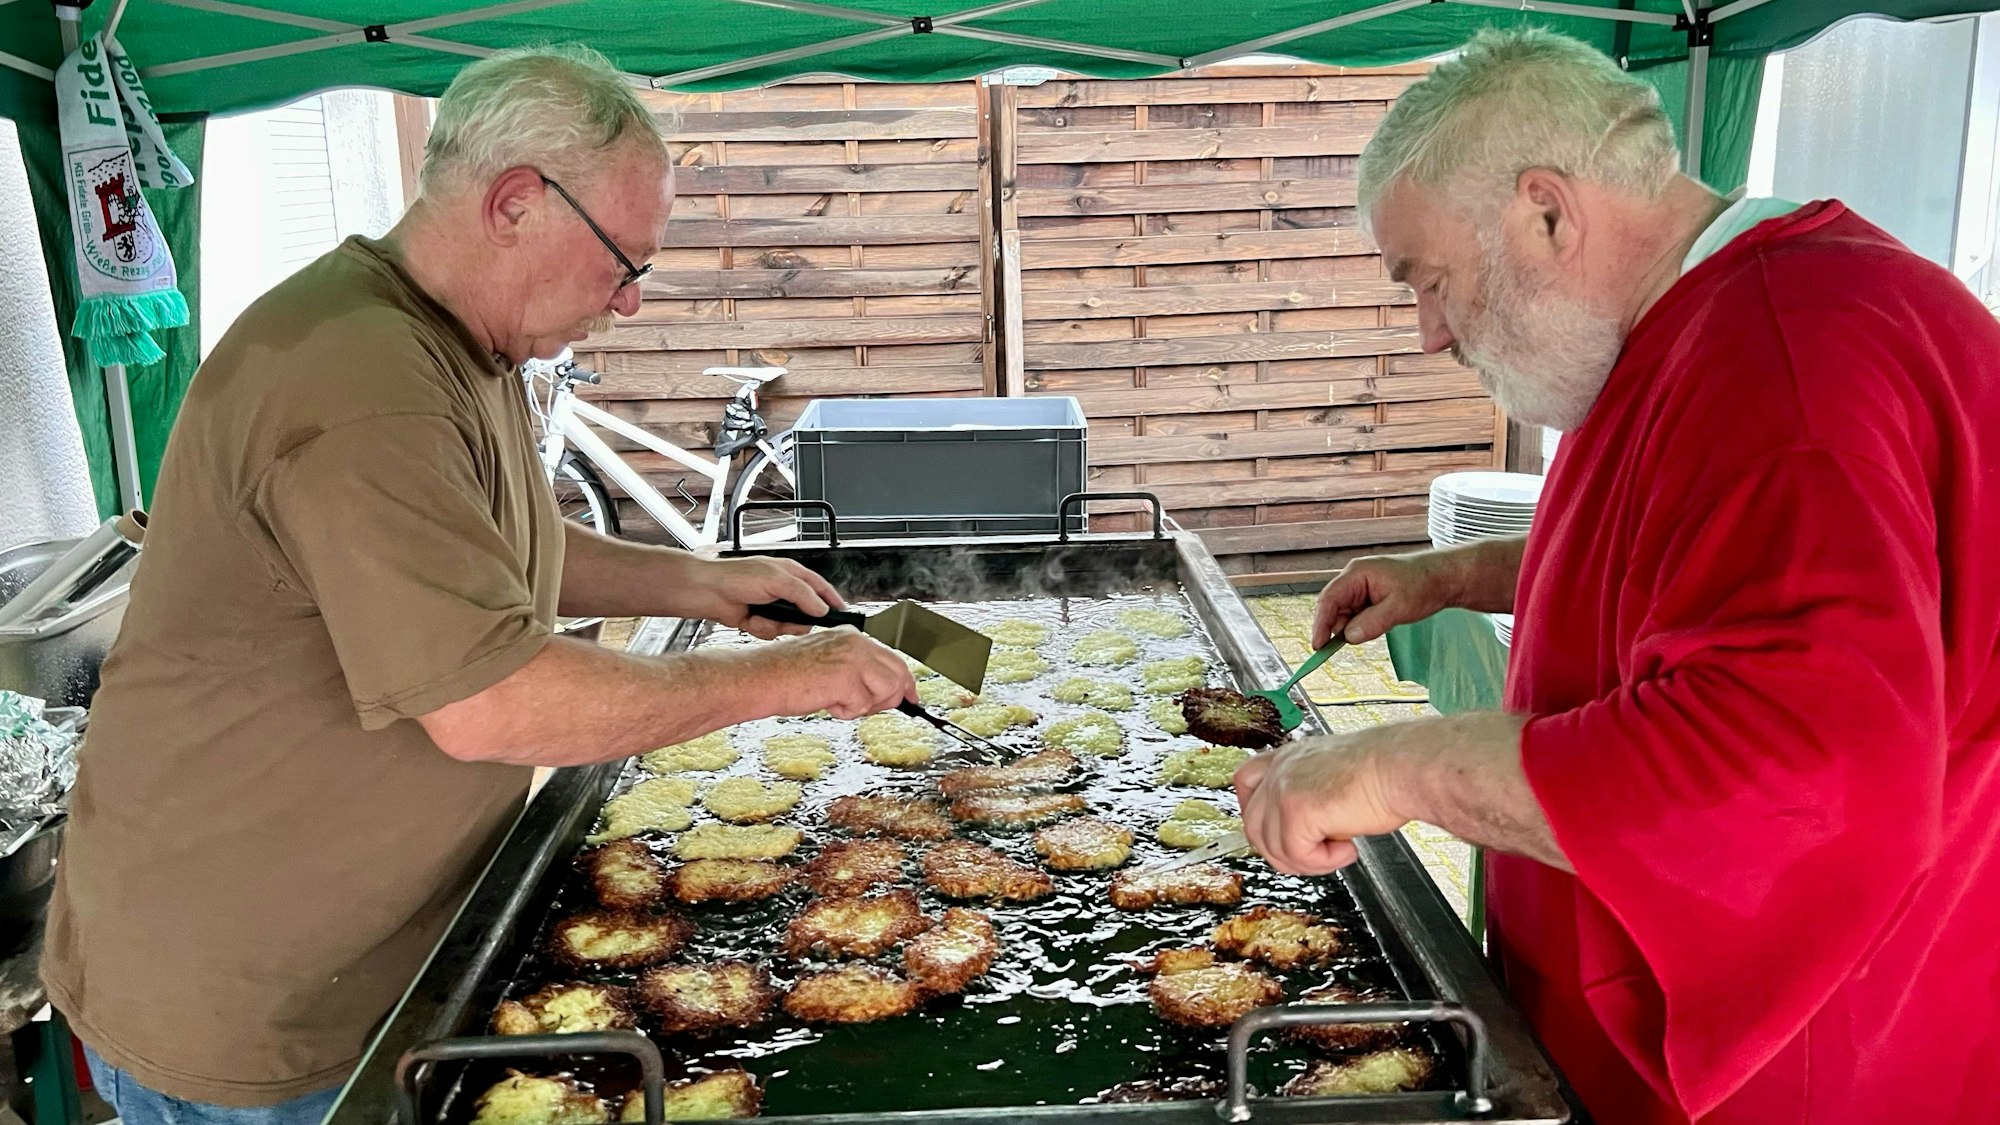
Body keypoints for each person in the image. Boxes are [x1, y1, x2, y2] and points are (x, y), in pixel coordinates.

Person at [42, 45, 915, 1123]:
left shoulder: (453, 344)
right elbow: (490, 701)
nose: (629, 304)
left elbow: (500, 550)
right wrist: (785, 677)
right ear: (514, 204)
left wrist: (703, 586)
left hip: (361, 953)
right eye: (623, 264)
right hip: (257, 1001)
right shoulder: (366, 382)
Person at [1235, 27, 2000, 1125]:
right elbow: (1680, 563)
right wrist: (1455, 576)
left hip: (1796, 1060)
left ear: (1544, 211)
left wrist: (1389, 767)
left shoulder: (1789, 364)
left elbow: (1775, 780)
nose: (1427, 335)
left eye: (1432, 281)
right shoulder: (1711, 317)